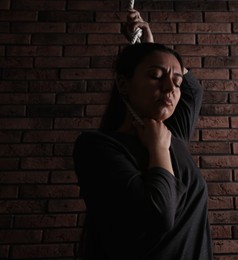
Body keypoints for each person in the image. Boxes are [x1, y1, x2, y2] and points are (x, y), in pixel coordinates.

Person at [73, 9, 212, 260]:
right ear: (123, 84)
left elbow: (193, 93)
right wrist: (158, 149)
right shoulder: (97, 147)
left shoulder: (176, 135)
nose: (170, 87)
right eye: (155, 75)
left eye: (176, 81)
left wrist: (150, 46)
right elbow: (159, 215)